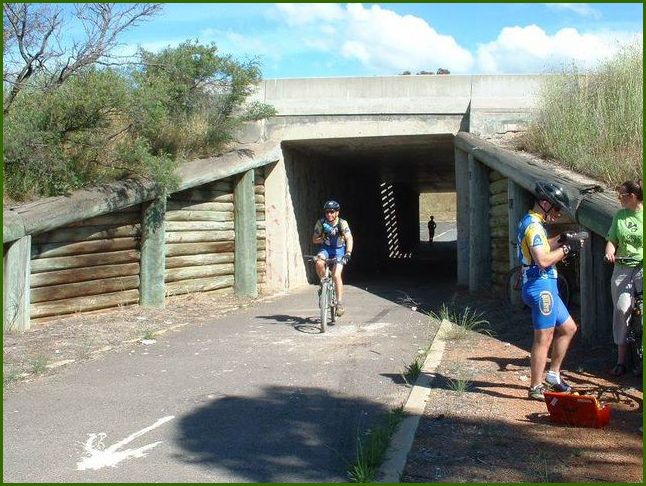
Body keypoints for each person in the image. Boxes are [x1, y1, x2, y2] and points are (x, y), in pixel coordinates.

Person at [516, 181, 585, 400]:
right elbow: (543, 259)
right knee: (544, 337)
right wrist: (566, 249)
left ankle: (553, 375)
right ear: (544, 204)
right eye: (556, 208)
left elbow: (543, 245)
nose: (557, 214)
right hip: (540, 286)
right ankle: (535, 386)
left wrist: (563, 239)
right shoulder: (534, 226)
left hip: (546, 285)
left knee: (568, 328)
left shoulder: (534, 222)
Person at [604, 180, 643, 376]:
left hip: (642, 267)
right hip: (623, 268)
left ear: (632, 196)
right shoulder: (620, 216)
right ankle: (621, 361)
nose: (618, 198)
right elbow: (612, 240)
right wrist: (610, 252)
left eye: (621, 195)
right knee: (621, 309)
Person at [312, 200, 354, 316]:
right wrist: (323, 238)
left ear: (337, 213)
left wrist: (348, 253)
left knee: (336, 275)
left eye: (332, 212)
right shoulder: (321, 223)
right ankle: (323, 285)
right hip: (326, 249)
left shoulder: (342, 223)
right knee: (319, 262)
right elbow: (314, 239)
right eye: (327, 212)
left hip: (339, 250)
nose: (329, 214)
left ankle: (339, 304)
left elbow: (349, 238)